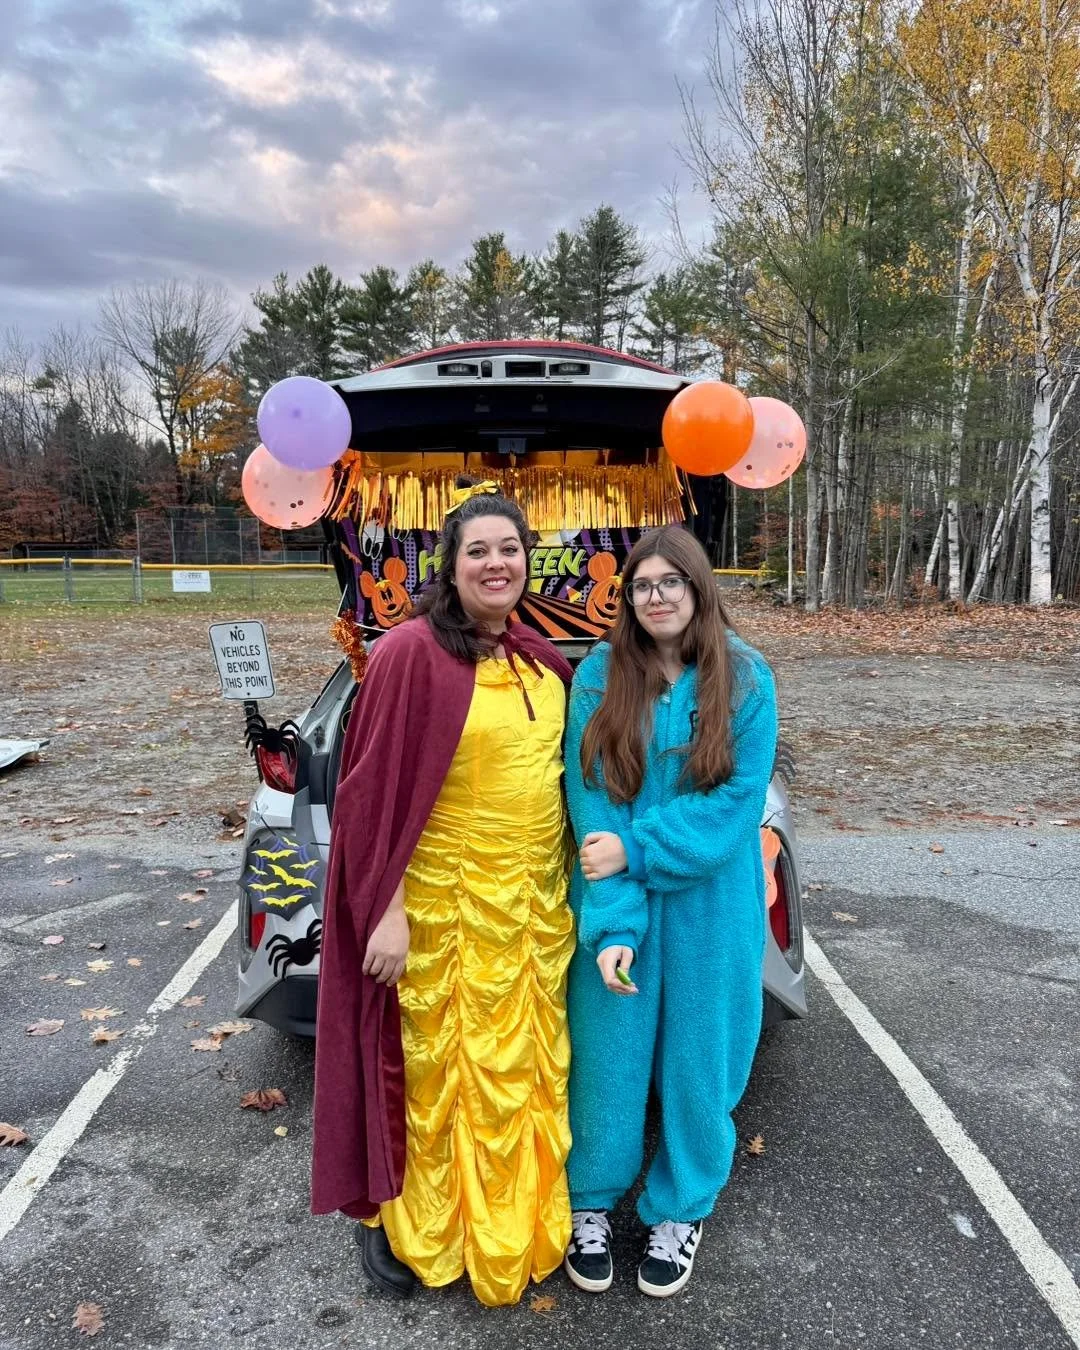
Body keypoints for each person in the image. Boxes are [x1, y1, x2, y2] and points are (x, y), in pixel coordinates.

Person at [311, 479, 576, 1308]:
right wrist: (381, 909)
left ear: (529, 560)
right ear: (450, 565)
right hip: (443, 911)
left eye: (510, 549)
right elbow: (365, 800)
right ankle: (407, 1224)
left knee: (526, 1076)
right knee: (434, 1079)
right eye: (479, 551)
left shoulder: (541, 659)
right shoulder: (408, 655)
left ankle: (513, 1224)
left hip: (533, 910)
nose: (497, 564)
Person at [561, 524, 778, 1298]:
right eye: (642, 586)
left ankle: (681, 1207)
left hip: (711, 910)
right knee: (607, 1059)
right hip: (619, 901)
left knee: (700, 1061)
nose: (656, 597)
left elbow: (733, 808)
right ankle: (589, 1201)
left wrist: (639, 849)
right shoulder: (596, 677)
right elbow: (591, 806)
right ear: (629, 598)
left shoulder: (747, 680)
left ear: (697, 588)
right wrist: (615, 918)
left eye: (670, 583)